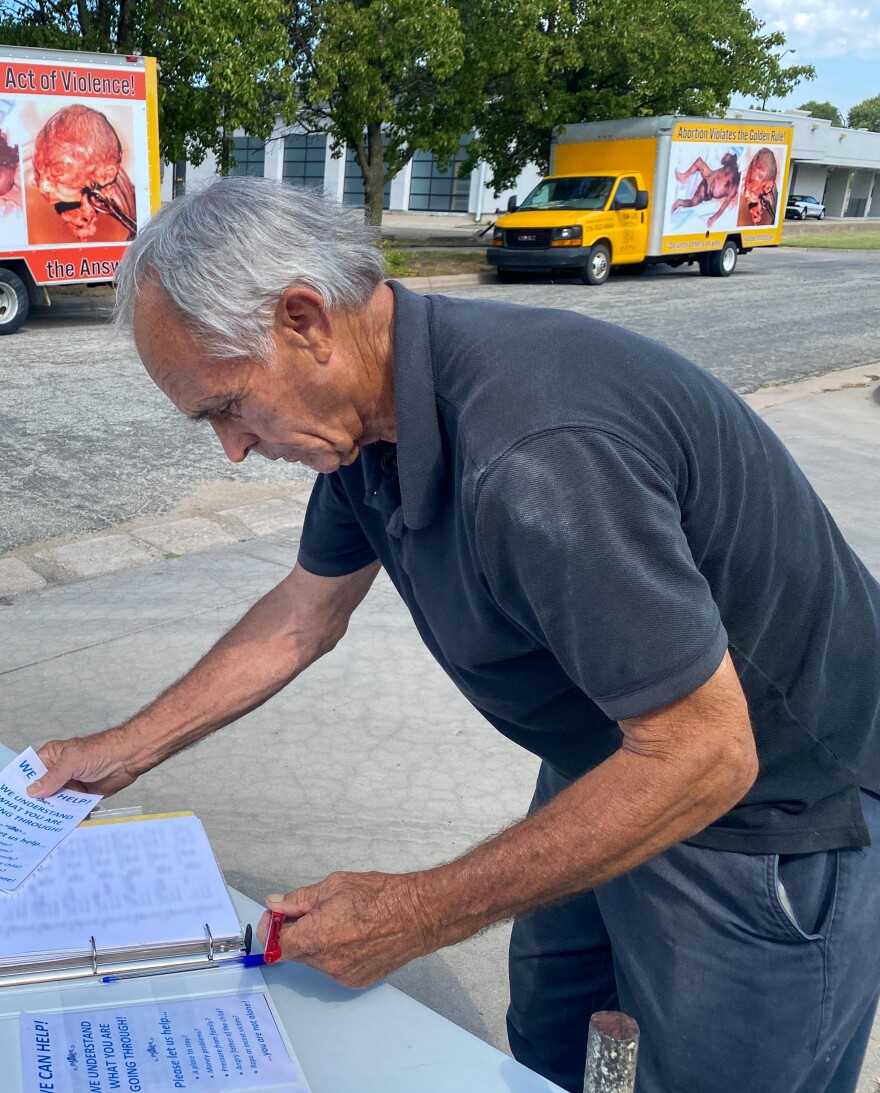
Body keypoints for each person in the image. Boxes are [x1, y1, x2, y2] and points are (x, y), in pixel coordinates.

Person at [29, 177, 880, 1093]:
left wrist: (418, 910)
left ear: (306, 319)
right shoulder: (367, 422)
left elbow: (707, 753)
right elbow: (303, 612)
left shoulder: (536, 454)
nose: (232, 448)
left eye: (228, 405)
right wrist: (116, 753)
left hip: (766, 812)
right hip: (613, 749)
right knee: (553, 1040)